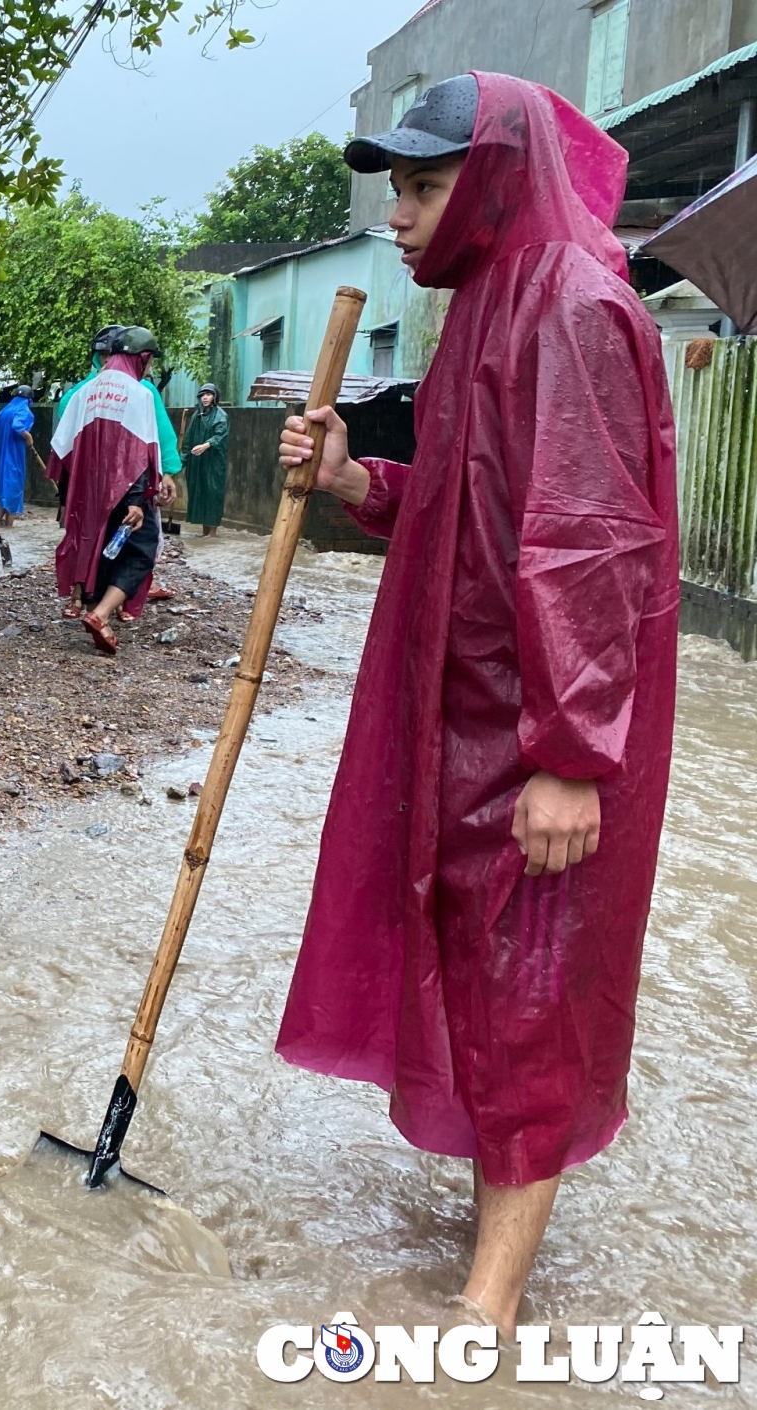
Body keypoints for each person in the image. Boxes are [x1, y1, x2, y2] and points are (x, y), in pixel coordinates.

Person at [274, 73, 679, 1333]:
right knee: (476, 962)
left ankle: (486, 1308)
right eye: (394, 186)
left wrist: (569, 752)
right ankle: (488, 1236)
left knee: (531, 983)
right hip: (468, 713)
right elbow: (472, 507)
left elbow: (589, 542)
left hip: (536, 728)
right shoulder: (489, 305)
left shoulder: (568, 304)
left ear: (494, 180)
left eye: (425, 185)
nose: (397, 214)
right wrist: (355, 481)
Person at [47, 325, 163, 654]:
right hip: (126, 494)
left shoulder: (85, 392)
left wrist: (73, 499)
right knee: (142, 551)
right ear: (141, 358)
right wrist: (139, 501)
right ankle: (100, 613)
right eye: (150, 360)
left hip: (87, 497)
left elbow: (61, 449)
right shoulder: (139, 394)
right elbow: (143, 452)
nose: (150, 366)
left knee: (99, 550)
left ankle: (96, 611)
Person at [181, 383, 230, 536]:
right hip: (197, 464)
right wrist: (181, 462)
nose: (205, 397)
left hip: (213, 464)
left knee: (213, 494)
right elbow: (188, 440)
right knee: (200, 493)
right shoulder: (197, 416)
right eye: (203, 395)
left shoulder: (221, 415)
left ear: (214, 396)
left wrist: (206, 445)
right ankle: (205, 532)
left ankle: (212, 533)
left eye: (208, 394)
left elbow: (220, 436)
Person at [0, 385, 37, 527]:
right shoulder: (23, 410)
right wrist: (28, 437)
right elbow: (17, 426)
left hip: (1, 457)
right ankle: (9, 528)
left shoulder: (5, 410)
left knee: (4, 488)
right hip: (14, 456)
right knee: (14, 489)